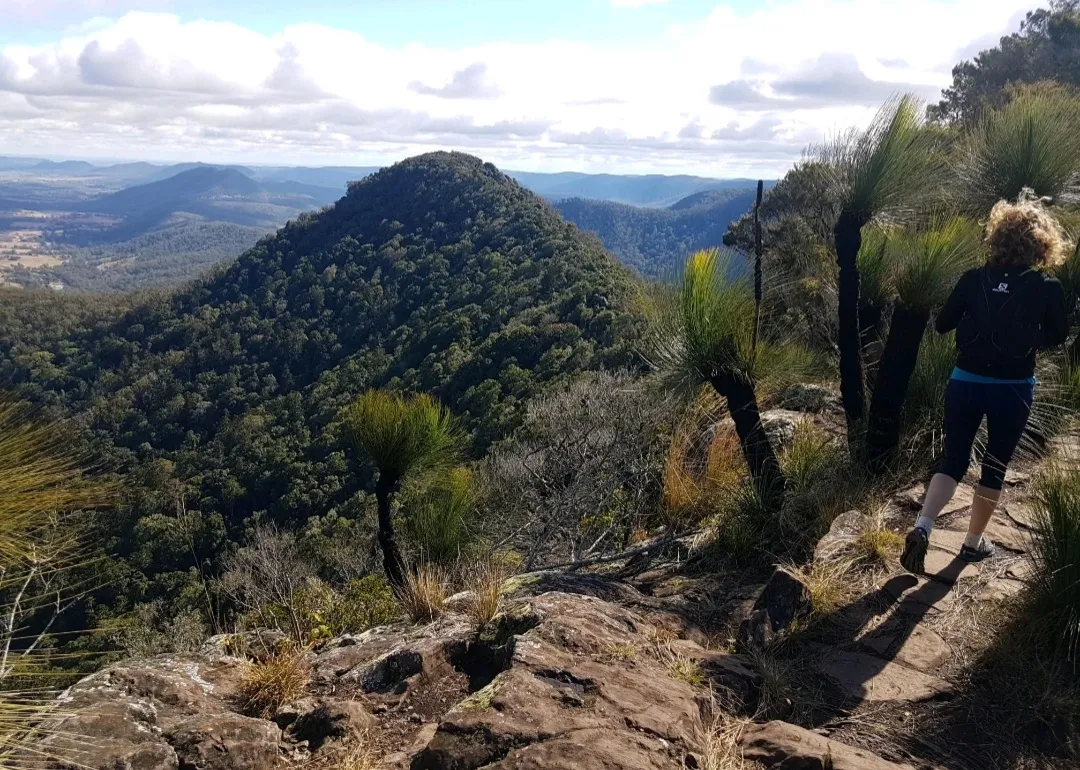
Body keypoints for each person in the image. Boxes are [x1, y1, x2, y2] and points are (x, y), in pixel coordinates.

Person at [900, 197, 1070, 573]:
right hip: (1012, 388)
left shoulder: (973, 278)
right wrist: (1026, 337)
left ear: (997, 238)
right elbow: (1058, 335)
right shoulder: (1047, 287)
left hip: (965, 382)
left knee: (953, 459)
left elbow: (943, 324)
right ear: (1043, 244)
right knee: (995, 466)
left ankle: (923, 527)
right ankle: (972, 544)